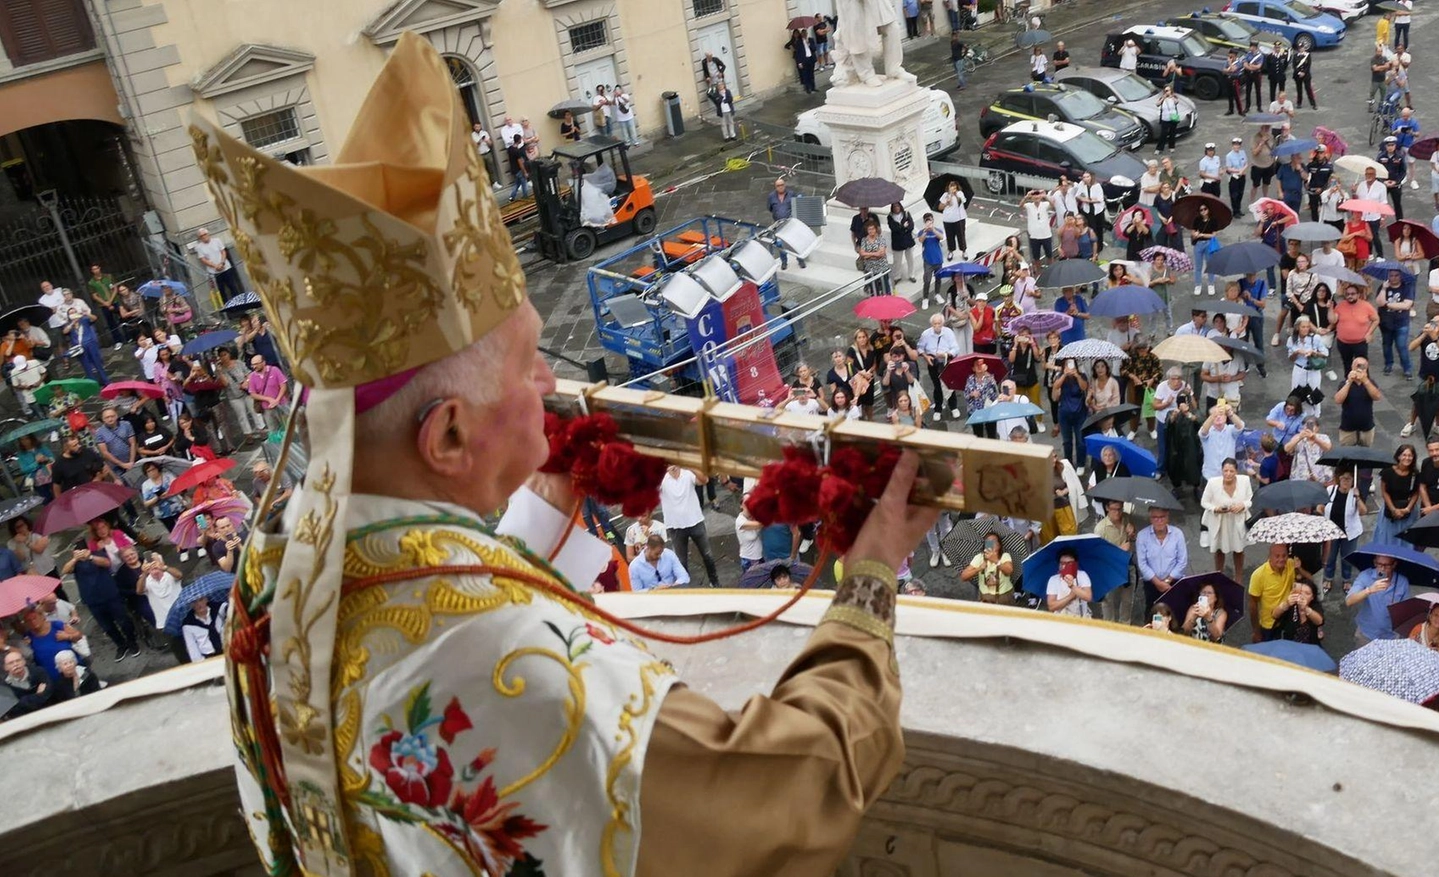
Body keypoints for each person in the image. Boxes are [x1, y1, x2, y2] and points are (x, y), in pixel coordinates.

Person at [193, 37, 941, 873]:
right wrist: (870, 575)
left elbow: (425, 598)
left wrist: (548, 504)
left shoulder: (279, 558)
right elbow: (791, 792)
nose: (550, 380)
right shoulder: (517, 658)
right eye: (526, 363)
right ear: (445, 435)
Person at [1201, 458, 1252, 581]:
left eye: (1231, 471)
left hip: (1237, 521)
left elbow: (1249, 498)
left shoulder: (1245, 481)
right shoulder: (1213, 483)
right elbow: (1204, 502)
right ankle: (1219, 575)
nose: (1228, 474)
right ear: (1222, 471)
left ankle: (1238, 577)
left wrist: (1242, 506)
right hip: (1220, 521)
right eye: (1225, 471)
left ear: (1236, 472)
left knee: (1239, 549)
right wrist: (1216, 509)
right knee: (1219, 550)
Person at [1346, 554, 1412, 644]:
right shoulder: (1366, 576)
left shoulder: (1402, 582)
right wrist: (1369, 590)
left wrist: (1398, 609)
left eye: (1386, 565)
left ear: (1394, 565)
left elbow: (1407, 610)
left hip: (1390, 636)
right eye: (1379, 564)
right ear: (1374, 563)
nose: (1382, 569)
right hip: (1366, 634)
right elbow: (1349, 601)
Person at [1136, 507, 1186, 623]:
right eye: (1155, 517)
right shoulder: (1142, 536)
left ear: (1167, 517)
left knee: (1174, 612)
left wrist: (1167, 581)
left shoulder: (1177, 534)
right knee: (1152, 612)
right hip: (1152, 583)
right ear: (1150, 519)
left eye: (1162, 517)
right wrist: (1158, 583)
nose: (1159, 521)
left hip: (1173, 582)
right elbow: (1142, 564)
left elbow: (1182, 561)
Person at [1093, 500, 1135, 624]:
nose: (1118, 512)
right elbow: (1098, 556)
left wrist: (1132, 533)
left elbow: (1132, 538)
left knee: (1127, 600)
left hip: (1126, 566)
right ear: (1107, 508)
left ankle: (1125, 624)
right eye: (1114, 509)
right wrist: (1119, 550)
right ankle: (1109, 626)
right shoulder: (1100, 529)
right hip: (1108, 570)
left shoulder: (1126, 518)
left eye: (1120, 509)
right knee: (1107, 601)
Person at [1248, 543, 1298, 644]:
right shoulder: (1258, 575)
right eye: (1277, 556)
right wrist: (1256, 631)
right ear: (1269, 557)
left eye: (1284, 556)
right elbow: (1253, 605)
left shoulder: (1291, 564)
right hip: (1268, 624)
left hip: (1287, 618)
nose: (1281, 559)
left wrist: (1299, 568)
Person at [191, 227, 243, 302]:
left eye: (205, 234)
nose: (204, 237)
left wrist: (222, 263)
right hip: (214, 271)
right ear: (199, 238)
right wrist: (215, 266)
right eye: (201, 236)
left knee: (232, 286)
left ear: (208, 234)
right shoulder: (199, 247)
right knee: (220, 290)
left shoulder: (217, 241)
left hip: (225, 268)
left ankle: (239, 303)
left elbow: (223, 251)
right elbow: (203, 259)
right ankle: (227, 308)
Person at [963, 530, 1015, 605]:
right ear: (985, 545)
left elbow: (1009, 571)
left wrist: (996, 561)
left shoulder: (1005, 556)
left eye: (994, 542)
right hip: (986, 597)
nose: (991, 544)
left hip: (1004, 595)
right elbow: (964, 576)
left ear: (999, 545)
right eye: (989, 542)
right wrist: (979, 568)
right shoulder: (979, 557)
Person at [2, 649, 54, 720]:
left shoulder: (39, 672)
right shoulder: (3, 686)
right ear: (5, 667)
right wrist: (38, 695)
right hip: (24, 720)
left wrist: (21, 701)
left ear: (24, 661)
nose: (15, 664)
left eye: (18, 660)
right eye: (11, 663)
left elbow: (49, 693)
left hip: (49, 713)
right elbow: (12, 709)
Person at [1043, 547, 1090, 616]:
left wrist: (1075, 588)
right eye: (1062, 563)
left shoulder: (1082, 575)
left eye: (1069, 563)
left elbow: (1087, 596)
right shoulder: (1053, 580)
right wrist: (1070, 597)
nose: (1064, 566)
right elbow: (1051, 606)